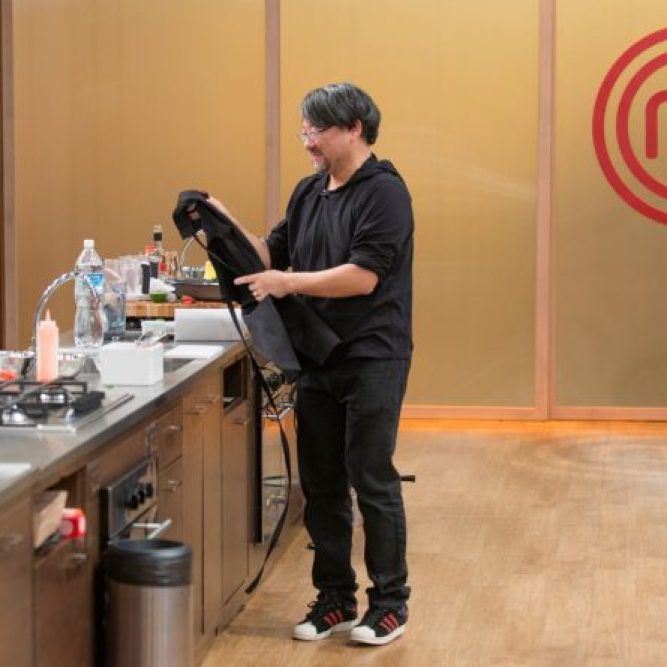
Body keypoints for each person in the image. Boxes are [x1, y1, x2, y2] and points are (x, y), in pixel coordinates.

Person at [208, 82, 413, 646]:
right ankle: (335, 599)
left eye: (316, 131)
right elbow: (268, 254)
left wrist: (288, 282)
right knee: (321, 482)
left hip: (374, 354)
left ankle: (390, 604)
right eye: (303, 131)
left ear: (354, 128)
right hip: (317, 356)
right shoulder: (309, 192)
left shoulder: (384, 193)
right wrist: (224, 222)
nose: (308, 143)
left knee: (371, 477)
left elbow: (363, 277)